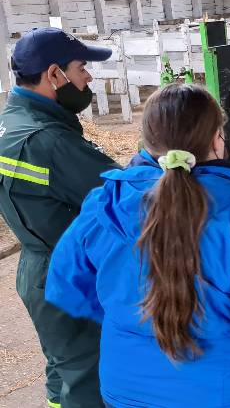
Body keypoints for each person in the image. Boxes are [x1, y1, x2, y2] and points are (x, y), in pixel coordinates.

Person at [44, 84, 230, 408]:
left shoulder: (104, 205)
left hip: (128, 392)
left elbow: (65, 286)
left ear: (147, 139)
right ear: (217, 138)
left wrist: (129, 318)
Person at [0, 27, 121, 408]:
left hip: (38, 267)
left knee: (64, 369)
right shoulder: (48, 140)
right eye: (82, 67)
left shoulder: (11, 123)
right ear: (55, 75)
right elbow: (123, 197)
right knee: (90, 381)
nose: (88, 78)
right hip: (71, 275)